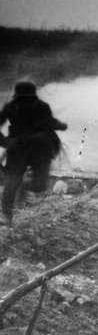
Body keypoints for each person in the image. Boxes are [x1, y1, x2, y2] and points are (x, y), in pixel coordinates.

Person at [0, 81, 68, 226]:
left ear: (34, 98)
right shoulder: (10, 108)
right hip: (18, 150)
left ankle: (24, 186)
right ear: (17, 98)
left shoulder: (42, 107)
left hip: (40, 150)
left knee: (40, 185)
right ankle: (6, 215)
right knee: (11, 184)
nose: (26, 102)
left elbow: (50, 123)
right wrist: (5, 142)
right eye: (22, 99)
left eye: (29, 99)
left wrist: (59, 125)